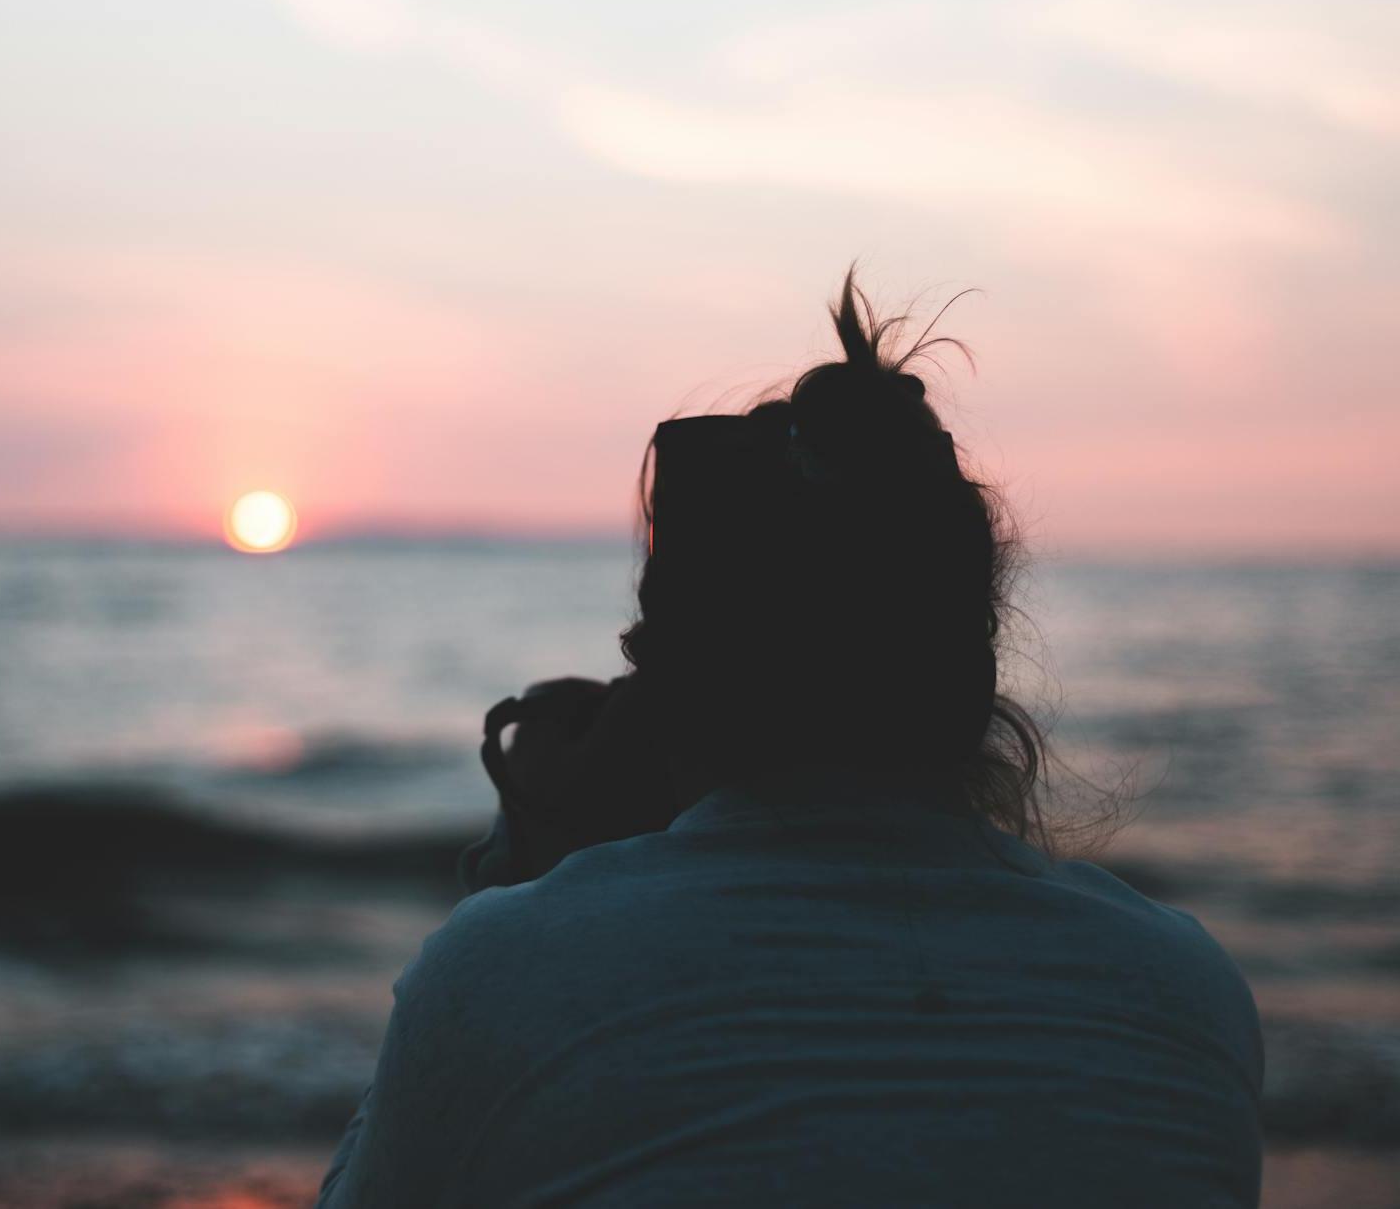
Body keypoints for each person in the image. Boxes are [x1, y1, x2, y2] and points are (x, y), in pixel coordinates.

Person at [316, 274, 1264, 1208]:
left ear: (669, 687)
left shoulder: (507, 971)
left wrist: (530, 871)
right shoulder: (1180, 988)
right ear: (971, 674)